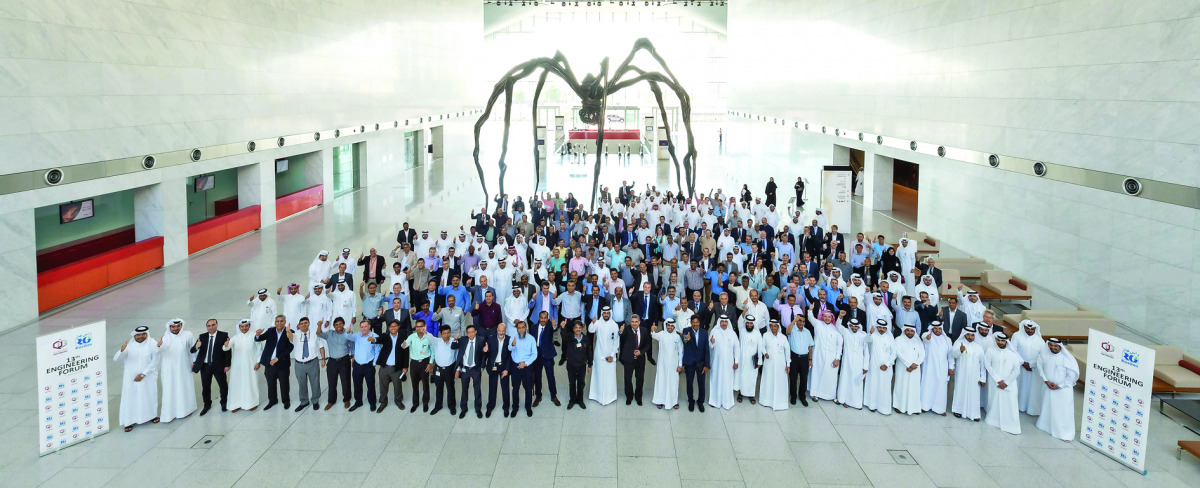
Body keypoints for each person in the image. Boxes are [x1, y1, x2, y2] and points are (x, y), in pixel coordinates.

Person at [115, 326, 159, 432]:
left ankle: (151, 416)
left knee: (148, 396)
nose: (141, 336)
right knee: (130, 398)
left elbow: (155, 361)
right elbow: (117, 358)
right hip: (131, 379)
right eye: (138, 334)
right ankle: (129, 421)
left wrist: (143, 374)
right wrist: (122, 350)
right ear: (134, 335)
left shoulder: (152, 343)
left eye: (143, 334)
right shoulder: (129, 346)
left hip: (147, 376)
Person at [1035, 338, 1078, 441]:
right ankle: (1045, 426)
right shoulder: (1044, 355)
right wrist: (1046, 381)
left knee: (1062, 413)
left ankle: (1064, 434)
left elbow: (1071, 376)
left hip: (1063, 391)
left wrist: (1060, 386)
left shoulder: (1067, 359)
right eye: (1051, 345)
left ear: (1060, 347)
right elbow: (1040, 367)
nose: (1053, 347)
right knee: (1048, 408)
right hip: (1048, 387)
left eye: (1055, 346)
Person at [159, 318, 197, 422]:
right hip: (169, 369)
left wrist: (194, 361)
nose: (176, 328)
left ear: (181, 326)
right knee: (170, 389)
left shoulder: (188, 334)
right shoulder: (165, 338)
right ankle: (170, 413)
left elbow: (192, 349)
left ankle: (186, 409)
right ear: (169, 327)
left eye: (178, 326)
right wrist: (158, 346)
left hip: (184, 366)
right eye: (173, 327)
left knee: (184, 387)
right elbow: (159, 349)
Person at [984, 332, 1022, 434]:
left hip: (1010, 384)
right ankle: (993, 420)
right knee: (994, 401)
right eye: (999, 340)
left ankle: (1010, 425)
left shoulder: (1013, 355)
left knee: (1010, 404)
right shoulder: (990, 350)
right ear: (996, 340)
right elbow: (987, 365)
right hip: (995, 382)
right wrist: (998, 380)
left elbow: (1016, 371)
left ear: (1006, 341)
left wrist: (1006, 382)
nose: (1000, 342)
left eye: (1003, 340)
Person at [190, 318, 230, 415]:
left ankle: (224, 403)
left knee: (223, 385)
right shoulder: (202, 337)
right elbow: (192, 350)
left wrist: (227, 364)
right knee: (206, 386)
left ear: (217, 325)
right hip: (205, 366)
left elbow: (228, 351)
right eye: (209, 326)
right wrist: (197, 346)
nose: (211, 327)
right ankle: (207, 405)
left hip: (218, 365)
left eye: (213, 325)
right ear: (206, 327)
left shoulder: (223, 335)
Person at [255, 315, 293, 410]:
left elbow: (290, 347)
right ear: (275, 322)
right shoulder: (270, 331)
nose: (279, 323)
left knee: (284, 384)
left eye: (281, 321)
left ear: (285, 322)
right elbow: (259, 338)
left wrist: (277, 358)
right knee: (270, 383)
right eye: (277, 321)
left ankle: (286, 401)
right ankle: (272, 400)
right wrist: (258, 334)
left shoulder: (289, 332)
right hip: (269, 364)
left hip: (282, 363)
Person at [950, 325, 986, 421]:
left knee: (974, 393)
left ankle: (974, 414)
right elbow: (953, 354)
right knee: (960, 390)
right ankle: (958, 410)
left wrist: (983, 378)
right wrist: (960, 350)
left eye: (972, 335)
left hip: (975, 376)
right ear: (964, 334)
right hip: (962, 373)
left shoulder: (978, 347)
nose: (970, 337)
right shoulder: (958, 343)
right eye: (968, 335)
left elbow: (983, 364)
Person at [317, 317, 353, 410]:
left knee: (346, 381)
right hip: (332, 361)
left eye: (340, 324)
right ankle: (331, 401)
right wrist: (320, 325)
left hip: (344, 360)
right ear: (334, 326)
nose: (339, 326)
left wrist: (353, 356)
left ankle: (347, 399)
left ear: (344, 324)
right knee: (332, 382)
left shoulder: (348, 332)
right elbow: (319, 333)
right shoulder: (329, 334)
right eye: (336, 325)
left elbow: (352, 345)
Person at [807, 307, 843, 403]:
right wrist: (810, 310)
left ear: (832, 318)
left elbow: (840, 345)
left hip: (832, 358)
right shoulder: (818, 324)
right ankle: (815, 394)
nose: (827, 318)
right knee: (816, 374)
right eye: (825, 316)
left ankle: (830, 395)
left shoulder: (836, 329)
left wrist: (837, 358)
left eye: (829, 317)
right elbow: (810, 317)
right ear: (822, 317)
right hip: (818, 355)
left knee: (830, 377)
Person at [1011, 320, 1046, 415]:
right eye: (1028, 328)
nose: (1030, 330)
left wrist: (1031, 364)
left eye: (1032, 329)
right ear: (1024, 327)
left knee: (1031, 389)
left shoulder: (1040, 340)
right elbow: (1013, 350)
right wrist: (1023, 363)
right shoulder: (1017, 336)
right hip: (1019, 367)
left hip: (1033, 369)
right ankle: (1018, 406)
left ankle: (1030, 408)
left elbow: (1042, 356)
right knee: (1020, 386)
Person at [373, 320, 408, 412]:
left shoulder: (402, 337)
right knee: (383, 386)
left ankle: (398, 401)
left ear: (398, 327)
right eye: (391, 326)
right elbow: (378, 340)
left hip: (396, 367)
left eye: (395, 326)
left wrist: (405, 367)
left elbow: (405, 353)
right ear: (388, 328)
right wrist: (374, 340)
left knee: (397, 386)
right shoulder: (386, 336)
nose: (393, 328)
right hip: (385, 367)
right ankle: (383, 402)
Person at [289, 317, 323, 411]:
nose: (304, 325)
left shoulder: (314, 334)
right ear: (299, 326)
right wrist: (288, 330)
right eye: (301, 323)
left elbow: (321, 346)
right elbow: (290, 337)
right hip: (299, 364)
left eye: (305, 323)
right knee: (301, 383)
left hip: (313, 362)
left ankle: (315, 401)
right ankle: (304, 401)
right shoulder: (295, 335)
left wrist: (323, 359)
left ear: (309, 324)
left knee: (315, 382)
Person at [588, 307, 620, 405]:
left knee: (609, 377)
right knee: (598, 375)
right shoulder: (598, 323)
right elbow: (591, 330)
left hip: (610, 356)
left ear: (610, 314)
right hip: (599, 354)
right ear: (602, 314)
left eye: (607, 313)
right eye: (604, 313)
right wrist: (592, 322)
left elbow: (616, 342)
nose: (606, 315)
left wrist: (612, 355)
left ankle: (610, 396)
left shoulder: (614, 325)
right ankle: (596, 396)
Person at [919, 321, 952, 416]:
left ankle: (940, 408)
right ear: (932, 329)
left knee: (941, 388)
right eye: (935, 328)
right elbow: (924, 337)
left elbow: (950, 355)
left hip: (943, 368)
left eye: (939, 329)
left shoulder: (947, 340)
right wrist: (927, 337)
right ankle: (925, 406)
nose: (937, 330)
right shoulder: (928, 336)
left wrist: (951, 367)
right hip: (929, 367)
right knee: (928, 385)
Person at [707, 315, 740, 410]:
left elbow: (737, 348)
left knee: (727, 381)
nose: (724, 323)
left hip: (729, 364)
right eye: (722, 321)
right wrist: (712, 342)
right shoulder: (714, 331)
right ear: (719, 322)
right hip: (716, 363)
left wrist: (736, 361)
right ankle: (714, 401)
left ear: (728, 322)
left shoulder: (732, 333)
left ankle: (727, 402)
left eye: (726, 322)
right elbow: (709, 346)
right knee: (716, 380)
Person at [835, 319, 869, 409]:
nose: (854, 328)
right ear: (849, 326)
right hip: (847, 362)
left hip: (859, 363)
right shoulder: (846, 332)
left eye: (856, 326)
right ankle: (843, 400)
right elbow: (838, 325)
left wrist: (865, 366)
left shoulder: (863, 335)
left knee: (856, 383)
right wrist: (840, 317)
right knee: (845, 380)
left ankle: (856, 403)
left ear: (859, 327)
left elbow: (866, 352)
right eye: (852, 326)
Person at [650, 318, 684, 409]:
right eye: (668, 325)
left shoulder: (677, 337)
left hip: (674, 366)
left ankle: (673, 402)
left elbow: (681, 351)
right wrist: (652, 330)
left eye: (672, 326)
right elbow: (653, 335)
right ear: (666, 326)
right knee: (662, 381)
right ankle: (659, 400)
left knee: (673, 383)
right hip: (662, 365)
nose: (670, 327)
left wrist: (680, 365)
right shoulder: (661, 334)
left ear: (674, 327)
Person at [758, 319, 791, 411]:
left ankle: (780, 403)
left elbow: (787, 350)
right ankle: (766, 401)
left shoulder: (783, 337)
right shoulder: (765, 335)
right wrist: (765, 353)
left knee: (780, 382)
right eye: (771, 326)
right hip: (769, 364)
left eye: (775, 326)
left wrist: (788, 364)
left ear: (778, 327)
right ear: (769, 327)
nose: (773, 328)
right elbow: (762, 346)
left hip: (781, 364)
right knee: (768, 380)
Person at [454, 325, 486, 418]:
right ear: (467, 333)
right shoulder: (463, 340)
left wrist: (482, 366)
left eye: (472, 332)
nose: (471, 334)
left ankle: (478, 409)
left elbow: (484, 354)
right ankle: (464, 408)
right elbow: (453, 346)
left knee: (477, 390)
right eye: (469, 332)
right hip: (465, 369)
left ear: (475, 332)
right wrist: (455, 339)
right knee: (464, 390)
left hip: (475, 369)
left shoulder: (481, 340)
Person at [863, 320, 895, 414]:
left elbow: (894, 353)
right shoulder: (873, 336)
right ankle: (872, 405)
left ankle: (884, 408)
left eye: (884, 328)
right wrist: (870, 333)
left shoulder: (890, 338)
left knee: (884, 387)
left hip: (886, 367)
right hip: (874, 366)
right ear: (877, 327)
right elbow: (866, 341)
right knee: (873, 385)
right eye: (880, 327)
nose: (882, 329)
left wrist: (887, 364)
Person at [892, 324, 924, 415]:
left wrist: (915, 364)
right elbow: (898, 353)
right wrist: (909, 364)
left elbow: (922, 355)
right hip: (903, 367)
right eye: (908, 330)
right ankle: (899, 406)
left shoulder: (918, 341)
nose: (910, 332)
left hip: (915, 369)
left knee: (914, 388)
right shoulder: (898, 340)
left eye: (912, 331)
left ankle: (914, 408)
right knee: (901, 386)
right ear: (904, 331)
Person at [619, 316, 652, 405]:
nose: (634, 323)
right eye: (632, 322)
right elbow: (621, 340)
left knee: (640, 379)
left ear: (639, 322)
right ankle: (629, 397)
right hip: (628, 358)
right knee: (627, 379)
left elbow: (648, 344)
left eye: (636, 321)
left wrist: (641, 352)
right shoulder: (626, 329)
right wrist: (620, 332)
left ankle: (638, 397)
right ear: (630, 322)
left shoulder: (644, 331)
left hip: (640, 359)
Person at [508, 320, 539, 417]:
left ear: (526, 328)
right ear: (517, 329)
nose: (521, 330)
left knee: (528, 388)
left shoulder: (531, 339)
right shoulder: (513, 338)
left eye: (523, 327)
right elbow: (509, 349)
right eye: (519, 328)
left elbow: (534, 354)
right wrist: (513, 344)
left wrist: (525, 363)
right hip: (515, 366)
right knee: (515, 388)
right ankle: (515, 407)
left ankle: (528, 407)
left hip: (527, 367)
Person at [348, 320, 379, 412]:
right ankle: (358, 402)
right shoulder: (357, 336)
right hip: (357, 365)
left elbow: (377, 350)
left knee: (370, 385)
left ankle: (372, 402)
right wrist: (348, 331)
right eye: (362, 327)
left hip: (368, 365)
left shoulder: (374, 336)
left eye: (365, 326)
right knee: (357, 385)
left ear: (369, 326)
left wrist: (374, 364)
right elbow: (347, 336)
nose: (363, 328)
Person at [531, 312, 561, 407]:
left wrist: (554, 325)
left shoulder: (549, 327)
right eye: (541, 318)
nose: (543, 320)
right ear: (539, 318)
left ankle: (553, 396)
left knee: (550, 376)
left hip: (547, 355)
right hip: (537, 355)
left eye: (545, 318)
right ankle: (538, 396)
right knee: (537, 377)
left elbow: (554, 329)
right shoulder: (533, 327)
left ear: (547, 318)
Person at [403, 319, 434, 412]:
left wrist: (430, 363)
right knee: (414, 385)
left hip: (424, 363)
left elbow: (433, 352)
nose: (419, 328)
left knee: (425, 384)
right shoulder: (412, 337)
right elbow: (404, 345)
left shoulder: (429, 337)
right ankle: (415, 403)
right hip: (414, 363)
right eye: (417, 326)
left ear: (424, 327)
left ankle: (425, 403)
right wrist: (403, 344)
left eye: (421, 326)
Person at [680, 315, 709, 412]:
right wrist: (686, 339)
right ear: (691, 322)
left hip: (701, 363)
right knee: (689, 383)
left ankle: (700, 402)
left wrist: (706, 365)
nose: (695, 324)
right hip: (690, 362)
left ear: (699, 323)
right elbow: (684, 339)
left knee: (701, 384)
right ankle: (691, 401)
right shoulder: (686, 330)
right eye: (693, 322)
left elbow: (706, 350)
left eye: (697, 322)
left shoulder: (704, 333)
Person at [428, 325, 459, 415]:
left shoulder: (454, 341)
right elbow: (429, 337)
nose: (446, 335)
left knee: (450, 388)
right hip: (438, 369)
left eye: (448, 332)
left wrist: (458, 369)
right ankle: (438, 406)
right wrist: (424, 331)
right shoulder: (437, 341)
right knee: (439, 388)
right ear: (441, 334)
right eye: (444, 333)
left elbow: (457, 356)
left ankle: (452, 406)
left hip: (449, 369)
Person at [563, 321, 592, 410]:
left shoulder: (586, 339)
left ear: (582, 328)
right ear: (573, 329)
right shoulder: (569, 337)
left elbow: (589, 352)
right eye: (576, 327)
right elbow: (563, 338)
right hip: (571, 365)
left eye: (579, 327)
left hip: (581, 365)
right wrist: (563, 328)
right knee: (572, 383)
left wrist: (590, 365)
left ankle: (580, 400)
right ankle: (572, 400)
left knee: (581, 383)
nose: (578, 329)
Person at [785, 313, 813, 406]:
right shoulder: (792, 330)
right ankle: (793, 397)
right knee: (793, 378)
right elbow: (787, 331)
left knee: (804, 379)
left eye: (803, 321)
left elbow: (810, 346)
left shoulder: (807, 332)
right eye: (800, 320)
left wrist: (810, 359)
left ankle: (802, 397)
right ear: (797, 321)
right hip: (794, 357)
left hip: (804, 358)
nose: (802, 323)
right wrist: (794, 320)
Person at [734, 315, 763, 404]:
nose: (749, 325)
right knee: (742, 376)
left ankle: (751, 395)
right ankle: (741, 393)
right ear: (745, 323)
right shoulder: (742, 330)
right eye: (748, 323)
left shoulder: (757, 334)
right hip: (742, 360)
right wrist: (744, 312)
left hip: (752, 361)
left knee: (752, 378)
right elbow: (739, 321)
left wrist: (760, 361)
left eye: (751, 323)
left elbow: (760, 347)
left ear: (753, 324)